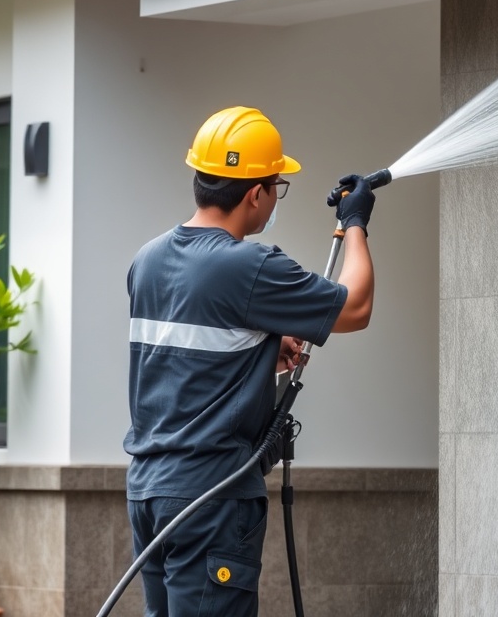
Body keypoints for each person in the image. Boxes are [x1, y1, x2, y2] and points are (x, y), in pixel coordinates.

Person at [124, 106, 376, 617]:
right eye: (276, 186)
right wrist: (355, 226)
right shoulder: (250, 264)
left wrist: (260, 346)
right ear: (254, 193)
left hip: (149, 492)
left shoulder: (147, 259)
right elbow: (356, 307)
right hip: (210, 499)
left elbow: (183, 359)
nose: (273, 198)